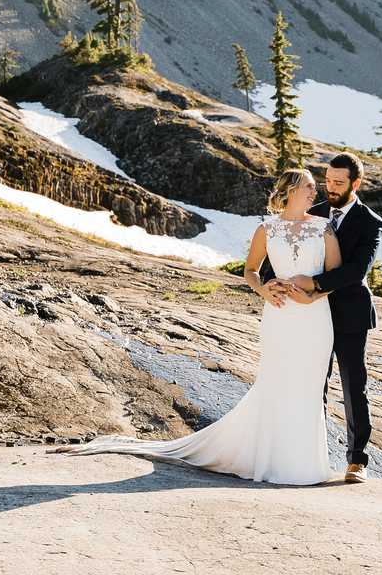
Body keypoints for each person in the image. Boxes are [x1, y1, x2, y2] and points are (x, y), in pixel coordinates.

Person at [68, 168, 339, 485]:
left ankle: (304, 465)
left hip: (315, 318)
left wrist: (311, 297)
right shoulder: (267, 229)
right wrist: (264, 290)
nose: (314, 192)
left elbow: (334, 274)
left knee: (307, 385)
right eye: (308, 186)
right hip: (279, 316)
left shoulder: (324, 228)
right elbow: (251, 271)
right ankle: (274, 461)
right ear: (292, 189)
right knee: (277, 383)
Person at [267, 151, 382, 484]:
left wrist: (316, 284)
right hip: (310, 315)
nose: (330, 187)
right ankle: (308, 453)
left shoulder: (370, 222)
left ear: (355, 183)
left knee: (352, 384)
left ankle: (357, 460)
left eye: (338, 182)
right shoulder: (311, 213)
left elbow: (356, 270)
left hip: (350, 314)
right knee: (311, 382)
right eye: (327, 181)